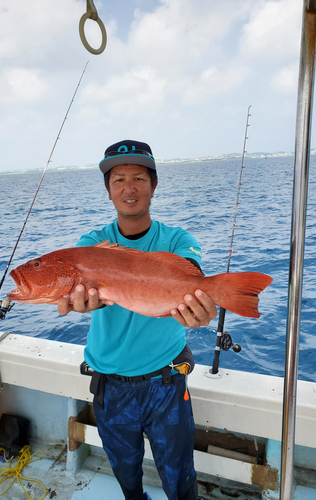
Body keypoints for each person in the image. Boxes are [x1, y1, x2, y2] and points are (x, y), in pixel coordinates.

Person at [58, 140, 217, 500]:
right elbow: (79, 293)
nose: (129, 188)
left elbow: (191, 275)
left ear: (154, 186)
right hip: (109, 387)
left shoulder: (178, 240)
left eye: (139, 178)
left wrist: (201, 308)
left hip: (167, 382)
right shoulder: (91, 244)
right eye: (118, 179)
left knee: (179, 478)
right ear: (108, 190)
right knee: (126, 475)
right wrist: (84, 302)